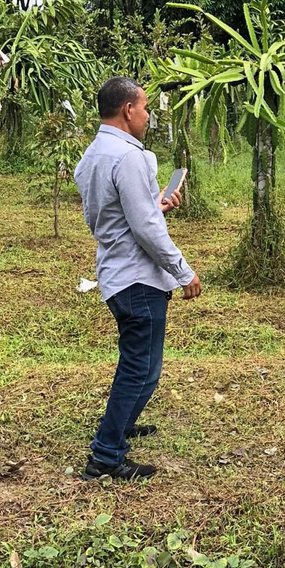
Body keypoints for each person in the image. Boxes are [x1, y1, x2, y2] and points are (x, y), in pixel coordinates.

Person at [74, 77, 202, 480]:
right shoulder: (130, 157)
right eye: (145, 108)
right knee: (139, 367)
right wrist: (183, 271)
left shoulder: (92, 155)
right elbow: (145, 229)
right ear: (128, 109)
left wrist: (155, 205)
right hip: (138, 278)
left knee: (144, 366)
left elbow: (113, 216)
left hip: (115, 271)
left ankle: (123, 423)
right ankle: (106, 456)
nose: (147, 116)